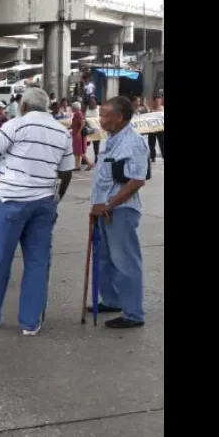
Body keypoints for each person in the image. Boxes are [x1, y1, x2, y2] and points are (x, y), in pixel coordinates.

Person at [0, 87, 73, 336]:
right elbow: (66, 172)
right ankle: (30, 322)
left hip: (13, 201)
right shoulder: (61, 131)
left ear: (23, 106)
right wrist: (55, 201)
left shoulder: (17, 125)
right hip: (44, 202)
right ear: (46, 106)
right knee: (37, 263)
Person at [88, 96, 149, 329]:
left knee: (125, 262)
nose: (100, 120)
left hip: (120, 210)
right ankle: (111, 300)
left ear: (120, 117)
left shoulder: (133, 142)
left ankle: (133, 313)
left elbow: (136, 181)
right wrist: (97, 205)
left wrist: (109, 205)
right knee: (103, 259)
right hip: (103, 208)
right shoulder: (108, 140)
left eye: (105, 115)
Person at [71, 101, 94, 171]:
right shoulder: (78, 113)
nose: (71, 108)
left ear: (75, 108)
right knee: (77, 151)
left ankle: (89, 163)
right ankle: (77, 166)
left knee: (79, 151)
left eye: (72, 107)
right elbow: (75, 124)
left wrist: (78, 132)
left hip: (78, 135)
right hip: (77, 134)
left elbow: (82, 123)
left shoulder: (78, 114)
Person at [147, 96, 164, 162]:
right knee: (151, 143)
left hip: (161, 129)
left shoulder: (162, 109)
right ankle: (152, 157)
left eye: (159, 101)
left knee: (162, 143)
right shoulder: (151, 109)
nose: (158, 103)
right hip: (152, 129)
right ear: (154, 102)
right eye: (157, 101)